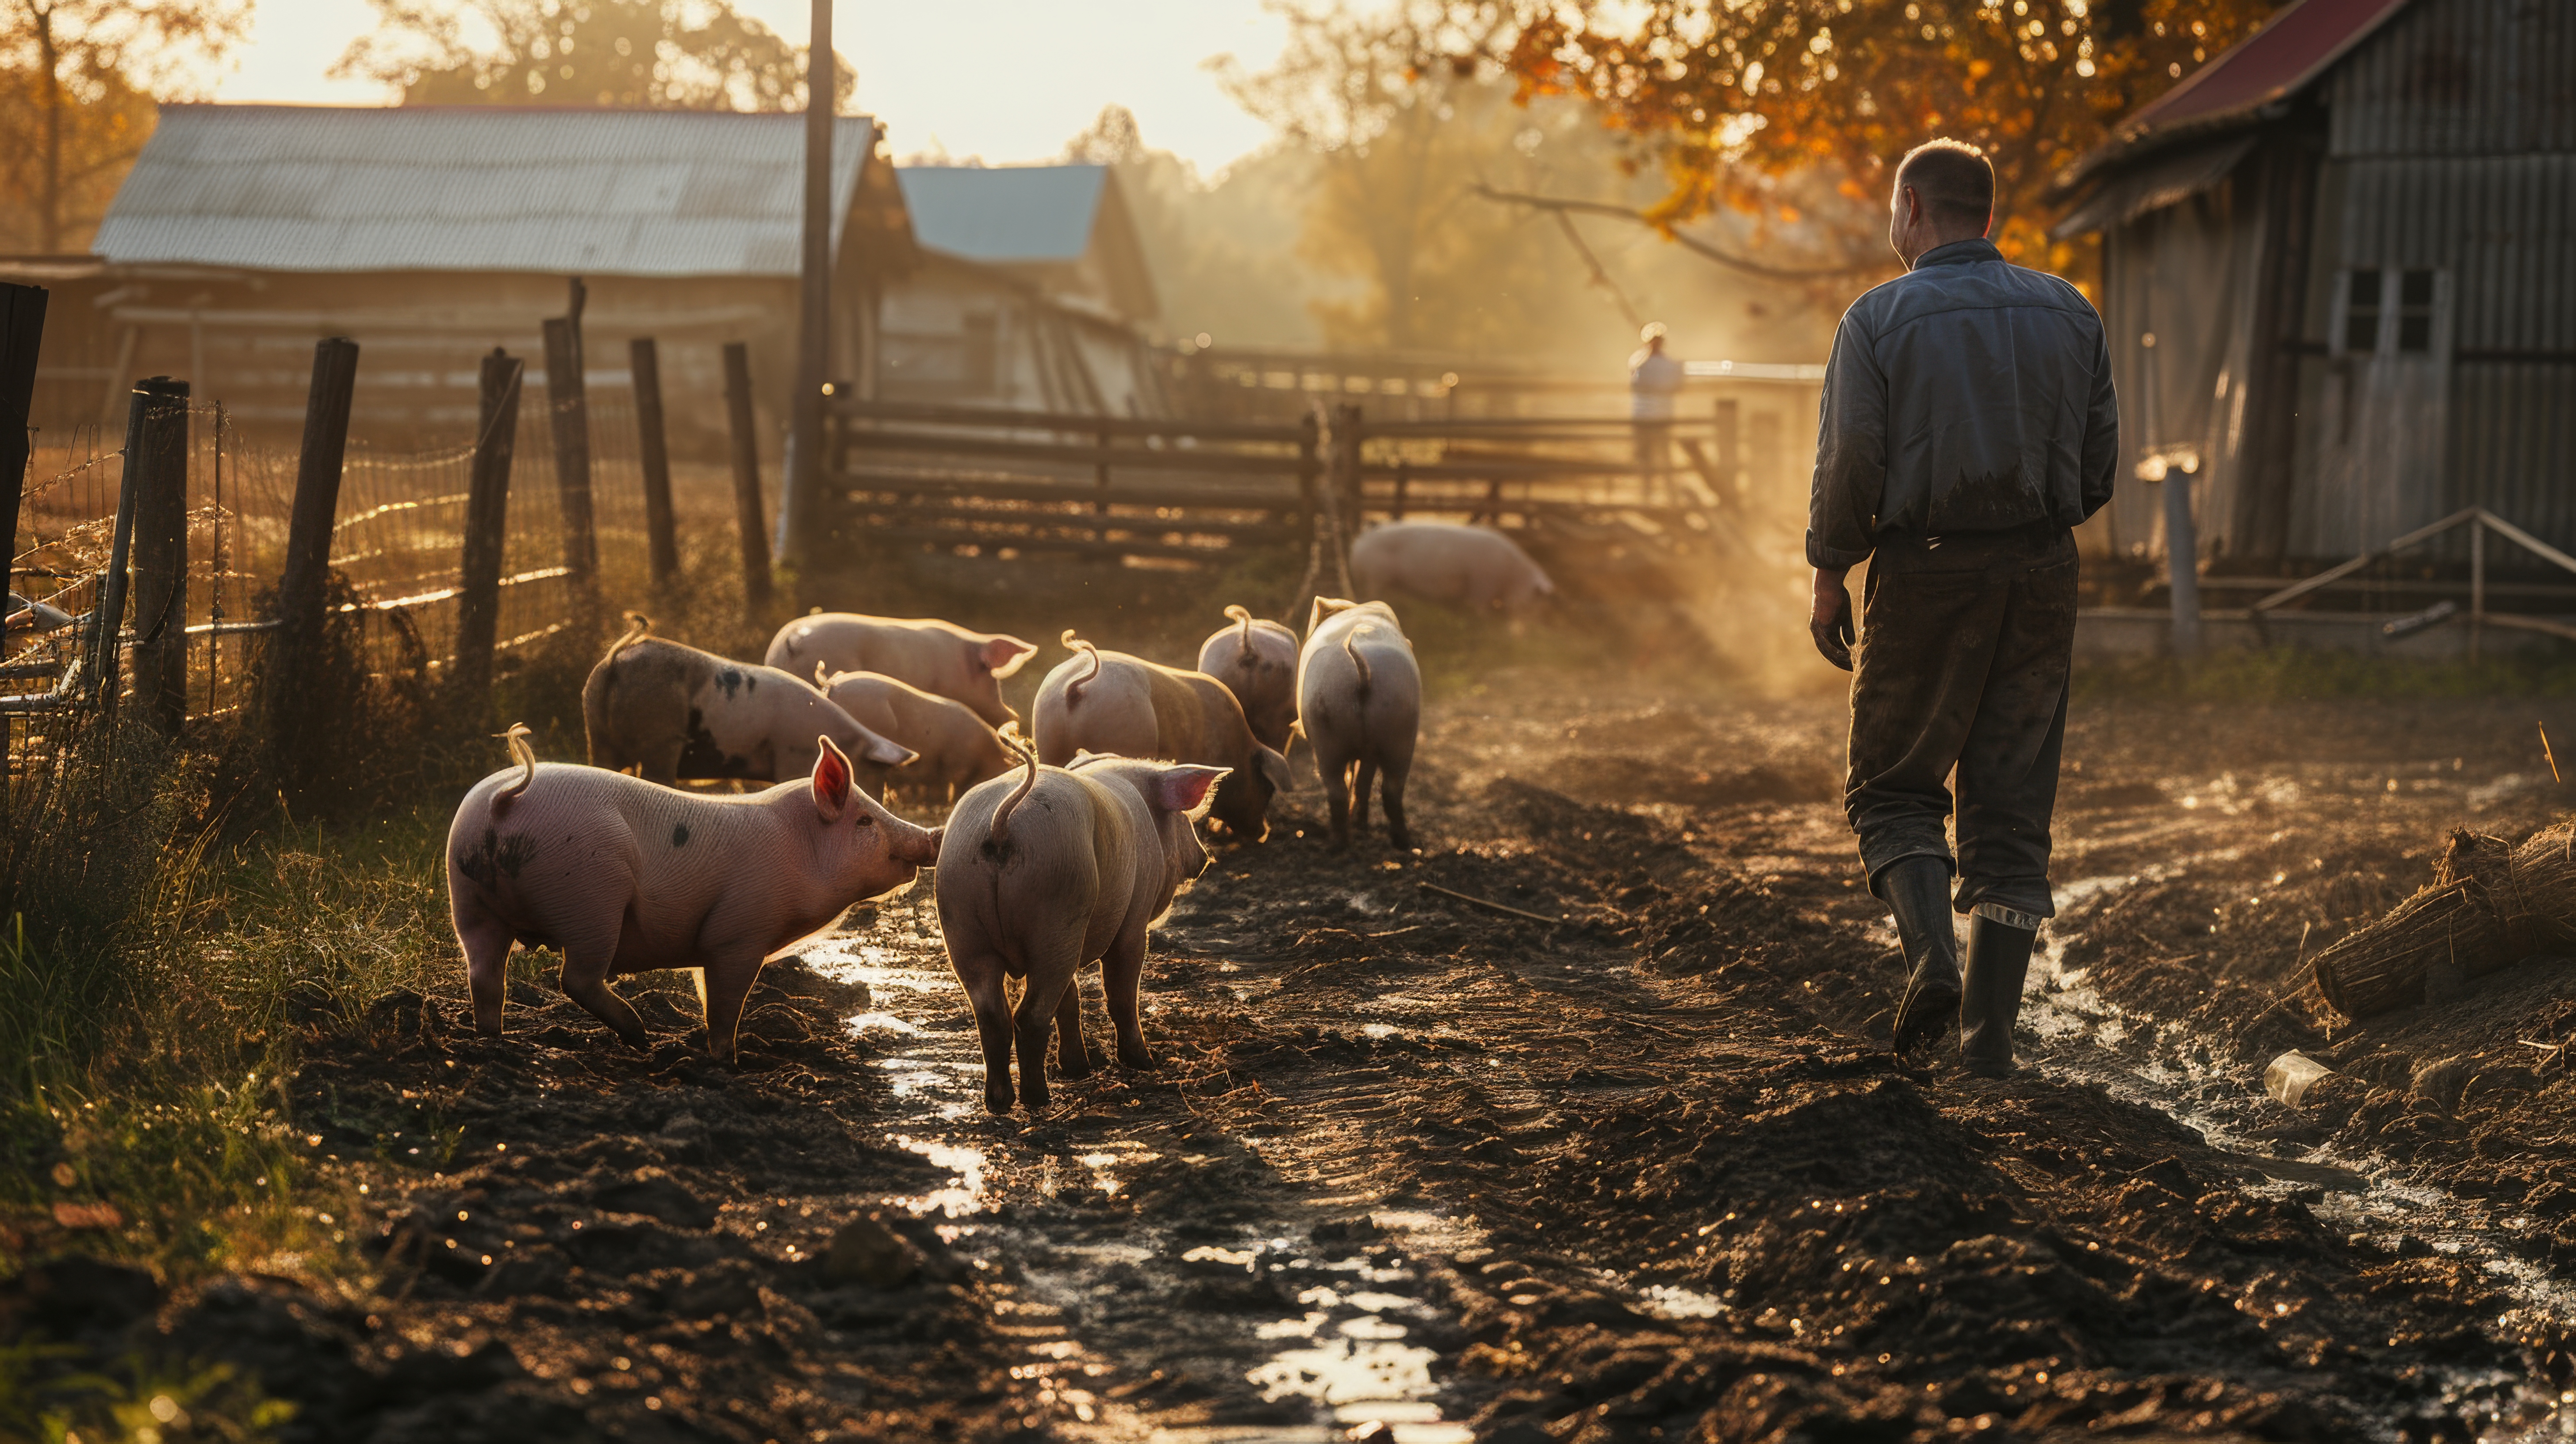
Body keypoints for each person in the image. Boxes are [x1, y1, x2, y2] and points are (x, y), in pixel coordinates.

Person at [1805, 139, 2119, 1075]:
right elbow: (2097, 465)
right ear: (1986, 215)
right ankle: (1988, 1049)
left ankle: (1931, 962)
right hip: (2040, 572)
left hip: (1924, 565)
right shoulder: (2070, 311)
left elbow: (1850, 459)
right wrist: (2031, 525)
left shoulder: (1876, 318)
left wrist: (1831, 568)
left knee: (1893, 787)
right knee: (2012, 810)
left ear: (1909, 207)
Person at [1628, 323, 1684, 500]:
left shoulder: (1649, 365)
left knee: (1661, 458)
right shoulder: (1642, 364)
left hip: (1657, 418)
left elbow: (1638, 385)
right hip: (1647, 418)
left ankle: (1666, 495)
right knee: (1648, 459)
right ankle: (1649, 495)